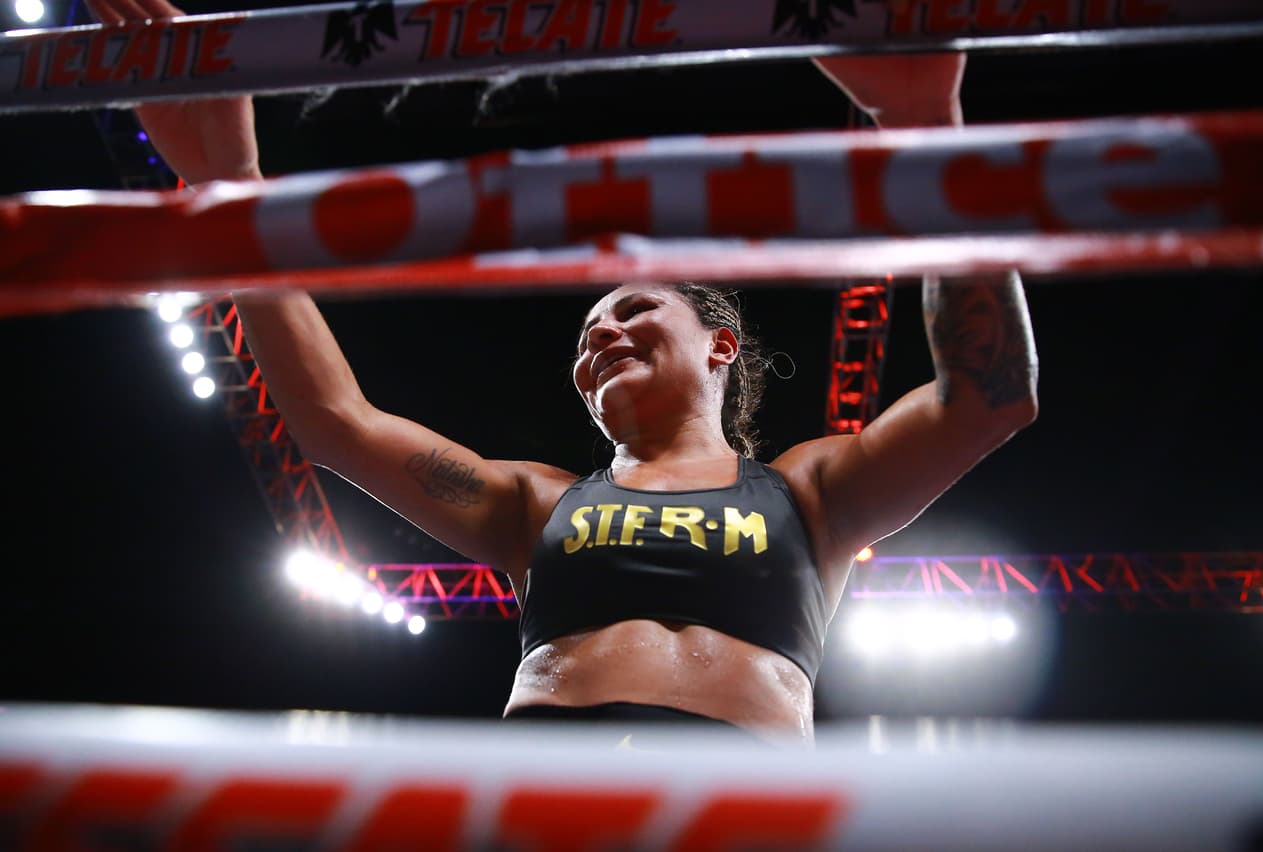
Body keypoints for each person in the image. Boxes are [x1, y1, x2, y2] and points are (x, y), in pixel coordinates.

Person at [88, 0, 1037, 747]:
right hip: (550, 802)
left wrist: (926, 125)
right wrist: (228, 196)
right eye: (587, 335)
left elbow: (988, 398)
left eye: (632, 311)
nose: (603, 337)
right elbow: (335, 423)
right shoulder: (537, 505)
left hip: (740, 809)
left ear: (720, 344)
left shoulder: (810, 490)